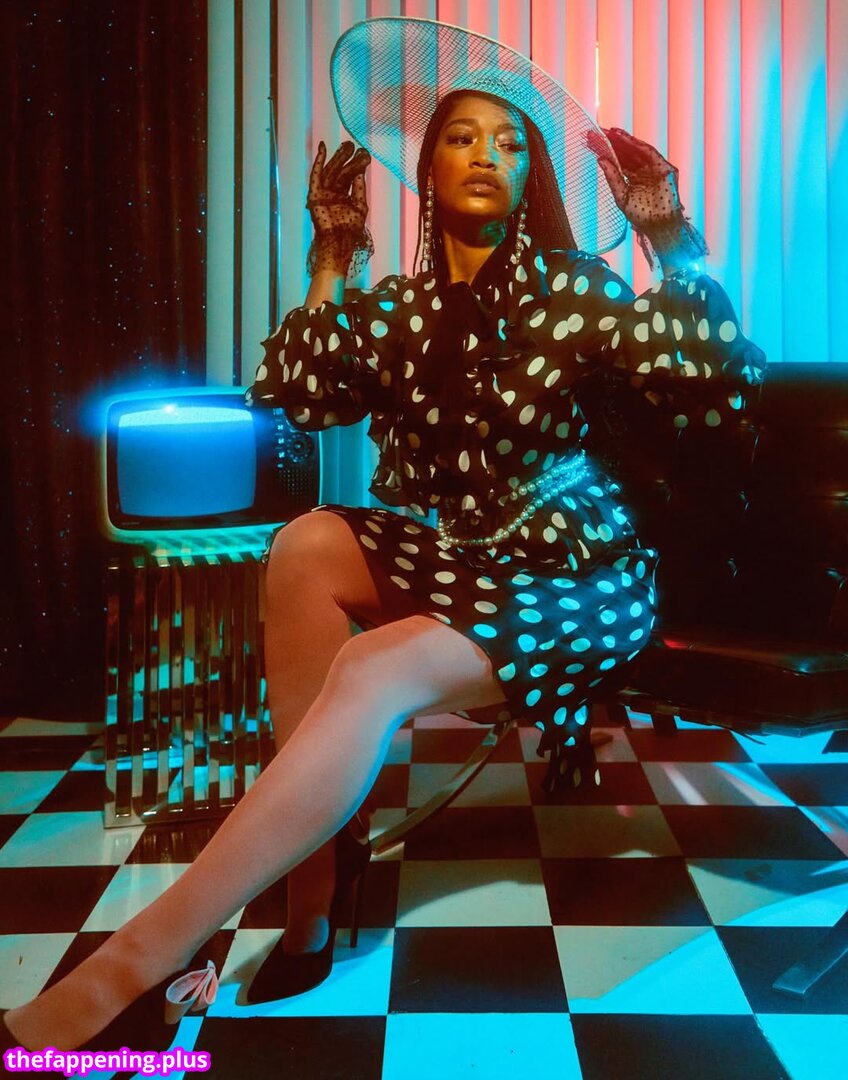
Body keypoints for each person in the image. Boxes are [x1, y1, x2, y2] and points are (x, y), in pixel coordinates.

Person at [0, 15, 766, 1054]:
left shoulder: (575, 291)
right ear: (426, 168)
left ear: (530, 175)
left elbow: (721, 383)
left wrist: (667, 235)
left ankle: (134, 970)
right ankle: (314, 892)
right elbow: (293, 392)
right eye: (462, 137)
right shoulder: (399, 312)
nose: (487, 154)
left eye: (510, 142)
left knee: (367, 668)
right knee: (306, 543)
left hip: (576, 570)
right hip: (468, 558)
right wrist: (332, 257)